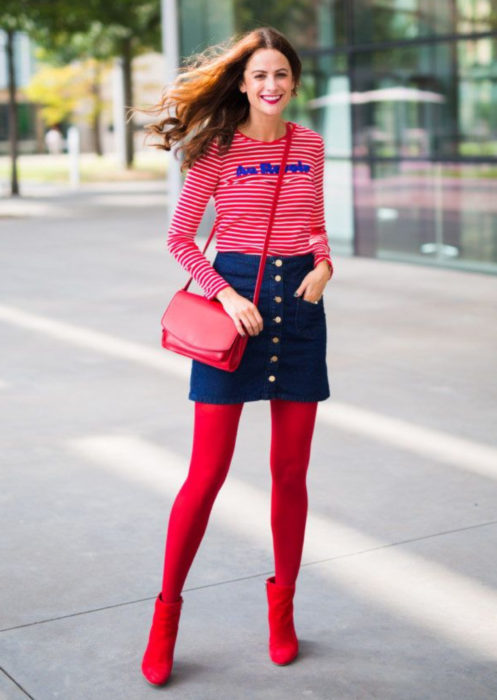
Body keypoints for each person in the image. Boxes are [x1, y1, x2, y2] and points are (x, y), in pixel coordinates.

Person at [140, 25, 334, 686]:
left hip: (299, 311)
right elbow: (180, 239)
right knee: (207, 472)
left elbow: (312, 223)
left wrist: (324, 264)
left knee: (290, 473)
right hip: (238, 309)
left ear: (294, 80)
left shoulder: (310, 146)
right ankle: (165, 616)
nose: (271, 86)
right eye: (259, 76)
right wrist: (224, 296)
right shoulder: (216, 149)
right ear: (243, 84)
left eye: (281, 74)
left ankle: (282, 613)